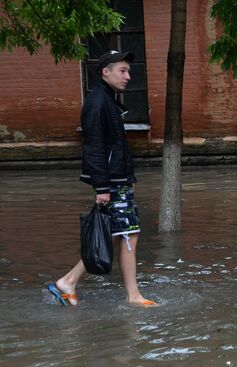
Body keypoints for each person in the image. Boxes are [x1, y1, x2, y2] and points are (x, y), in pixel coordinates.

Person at [47, 50, 157, 307]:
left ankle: (123, 292)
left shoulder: (106, 99)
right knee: (121, 234)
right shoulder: (98, 102)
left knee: (124, 233)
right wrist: (102, 187)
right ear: (105, 72)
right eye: (122, 70)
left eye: (129, 71)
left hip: (117, 179)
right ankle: (73, 282)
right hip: (112, 182)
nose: (128, 76)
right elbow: (94, 146)